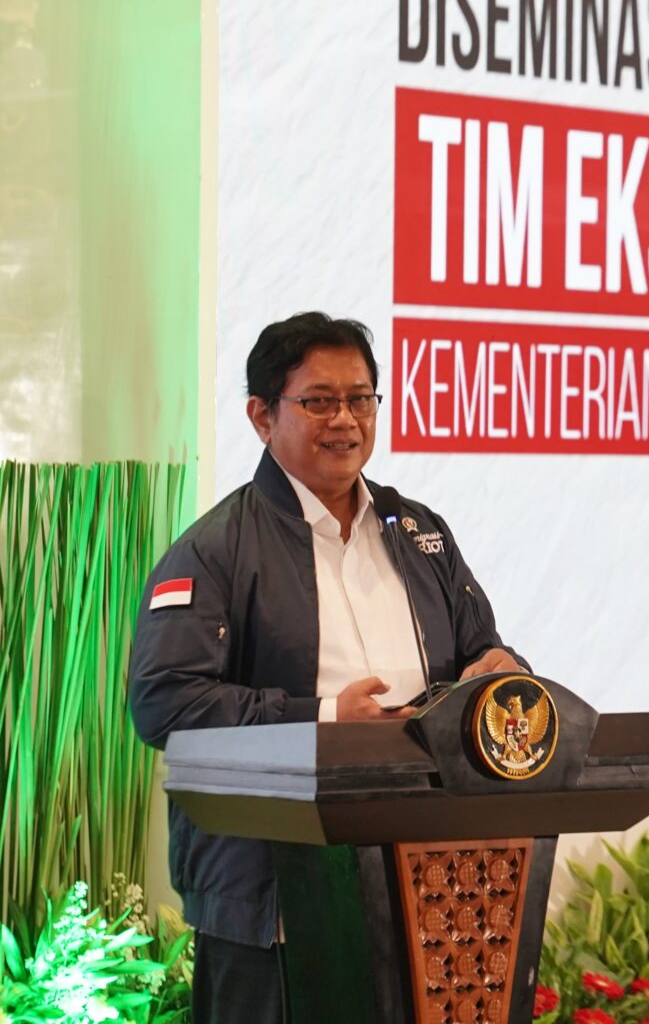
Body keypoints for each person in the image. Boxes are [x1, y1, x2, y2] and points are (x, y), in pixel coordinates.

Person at [128, 312, 527, 1023]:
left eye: (361, 398)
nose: (345, 419)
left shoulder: (420, 533)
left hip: (424, 885)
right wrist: (323, 720)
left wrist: (500, 672)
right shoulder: (215, 549)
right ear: (261, 416)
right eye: (318, 400)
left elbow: (483, 649)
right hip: (271, 898)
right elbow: (166, 703)